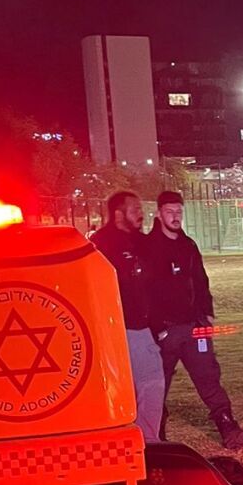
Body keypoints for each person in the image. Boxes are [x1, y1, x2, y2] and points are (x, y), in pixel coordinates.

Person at [146, 190, 243, 451]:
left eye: (178, 212)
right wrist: (158, 328)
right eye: (170, 212)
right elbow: (145, 291)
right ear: (159, 214)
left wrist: (206, 315)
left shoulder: (188, 245)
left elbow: (201, 280)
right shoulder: (149, 247)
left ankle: (230, 431)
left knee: (209, 378)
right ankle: (154, 440)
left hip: (194, 328)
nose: (175, 217)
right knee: (157, 386)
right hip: (165, 333)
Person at [90, 190, 164, 444]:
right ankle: (147, 442)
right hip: (126, 329)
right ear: (118, 214)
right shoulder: (101, 246)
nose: (141, 214)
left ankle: (138, 439)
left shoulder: (138, 242)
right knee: (151, 383)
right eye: (135, 210)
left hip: (136, 328)